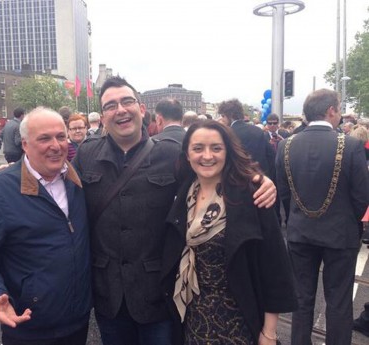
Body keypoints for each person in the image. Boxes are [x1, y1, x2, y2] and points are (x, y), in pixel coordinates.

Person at [72, 76, 277, 345]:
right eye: (110, 105)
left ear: (142, 109)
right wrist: (15, 173)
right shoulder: (86, 154)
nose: (120, 109)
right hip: (108, 295)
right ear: (102, 117)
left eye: (127, 101)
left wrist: (259, 180)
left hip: (158, 294)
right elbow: (53, 183)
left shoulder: (171, 155)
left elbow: (216, 170)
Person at [0, 107, 92, 345]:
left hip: (77, 321)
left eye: (61, 137)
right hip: (29, 326)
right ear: (24, 145)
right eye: (44, 138)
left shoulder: (78, 180)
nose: (56, 145)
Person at [161, 120, 297, 345]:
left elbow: (275, 268)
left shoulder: (252, 195)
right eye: (198, 148)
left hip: (238, 321)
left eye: (216, 148)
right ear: (187, 154)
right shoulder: (184, 192)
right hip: (192, 318)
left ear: (228, 151)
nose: (207, 156)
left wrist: (269, 333)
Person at [276, 89, 369, 345]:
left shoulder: (286, 145)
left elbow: (284, 194)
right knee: (338, 301)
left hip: (299, 232)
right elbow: (362, 196)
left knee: (302, 299)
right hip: (341, 235)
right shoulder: (351, 146)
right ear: (331, 110)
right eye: (339, 109)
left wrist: (297, 217)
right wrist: (350, 222)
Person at [218, 98, 276, 179]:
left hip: (237, 181)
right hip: (260, 180)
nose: (222, 119)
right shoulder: (258, 130)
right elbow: (271, 156)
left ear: (230, 115)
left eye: (223, 116)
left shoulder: (227, 134)